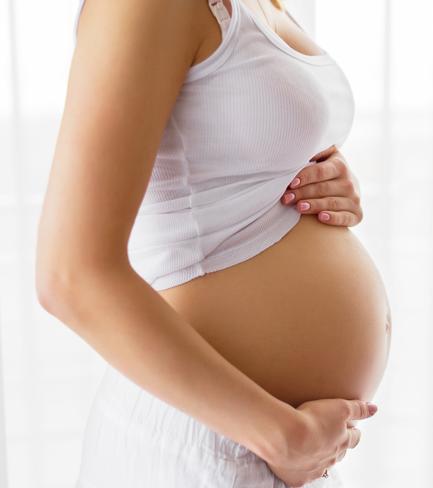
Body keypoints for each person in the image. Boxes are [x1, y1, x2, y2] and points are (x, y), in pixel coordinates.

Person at [35, 0, 392, 486]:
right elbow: (71, 276)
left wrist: (325, 173)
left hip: (266, 440)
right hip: (211, 442)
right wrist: (281, 436)